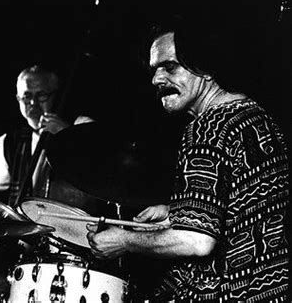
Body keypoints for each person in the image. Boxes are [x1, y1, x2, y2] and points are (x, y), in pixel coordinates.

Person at [86, 21, 290, 301]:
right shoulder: (255, 116)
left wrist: (123, 240)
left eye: (170, 67)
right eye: (154, 70)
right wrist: (176, 212)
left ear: (204, 69)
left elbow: (197, 241)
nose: (156, 80)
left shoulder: (208, 127)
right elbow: (246, 208)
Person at [0, 64, 93, 205]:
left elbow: (104, 168)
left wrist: (67, 136)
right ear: (18, 99)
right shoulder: (9, 142)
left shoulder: (82, 125)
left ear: (55, 95)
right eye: (27, 96)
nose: (33, 103)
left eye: (41, 95)